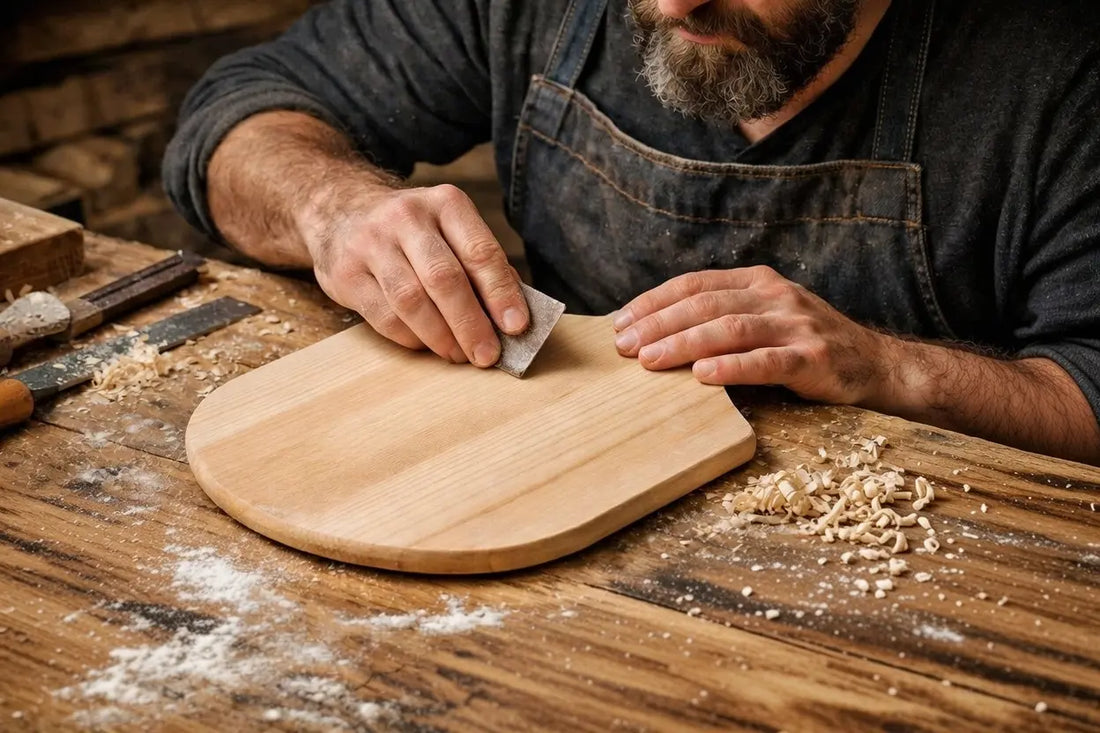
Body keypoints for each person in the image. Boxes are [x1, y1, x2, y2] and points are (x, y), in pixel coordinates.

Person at [164, 0, 1100, 464]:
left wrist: (894, 370)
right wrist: (331, 207)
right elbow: (234, 120)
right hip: (556, 473)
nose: (675, 2)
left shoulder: (1059, 71)